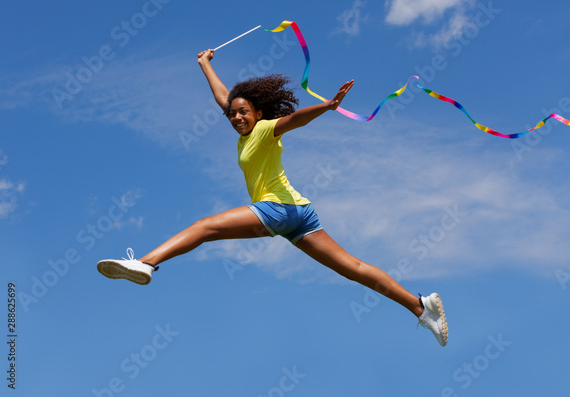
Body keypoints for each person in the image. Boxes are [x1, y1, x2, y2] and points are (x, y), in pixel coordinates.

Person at [97, 49, 448, 346]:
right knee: (352, 268)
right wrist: (205, 64)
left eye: (242, 112)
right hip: (299, 213)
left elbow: (293, 119)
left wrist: (327, 106)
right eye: (232, 113)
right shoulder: (244, 131)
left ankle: (145, 263)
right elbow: (223, 97)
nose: (235, 117)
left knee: (205, 227)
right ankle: (421, 306)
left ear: (259, 113)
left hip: (278, 208)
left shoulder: (265, 129)